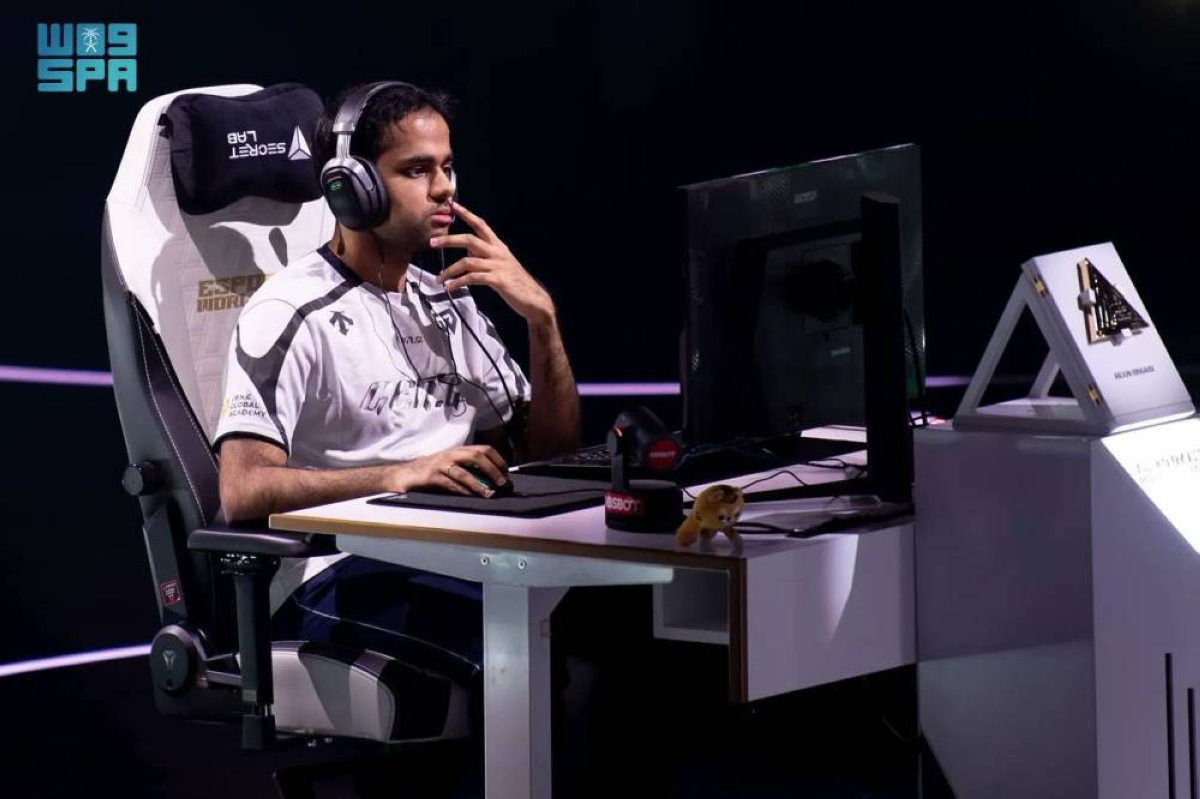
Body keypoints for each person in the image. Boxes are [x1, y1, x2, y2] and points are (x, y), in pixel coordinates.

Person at [212, 81, 582, 732]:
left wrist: (543, 321)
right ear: (350, 187)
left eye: (447, 167)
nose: (445, 190)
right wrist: (398, 476)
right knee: (529, 654)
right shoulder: (290, 311)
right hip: (334, 572)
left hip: (459, 552)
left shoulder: (450, 302)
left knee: (615, 630)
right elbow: (242, 490)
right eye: (417, 171)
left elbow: (551, 452)